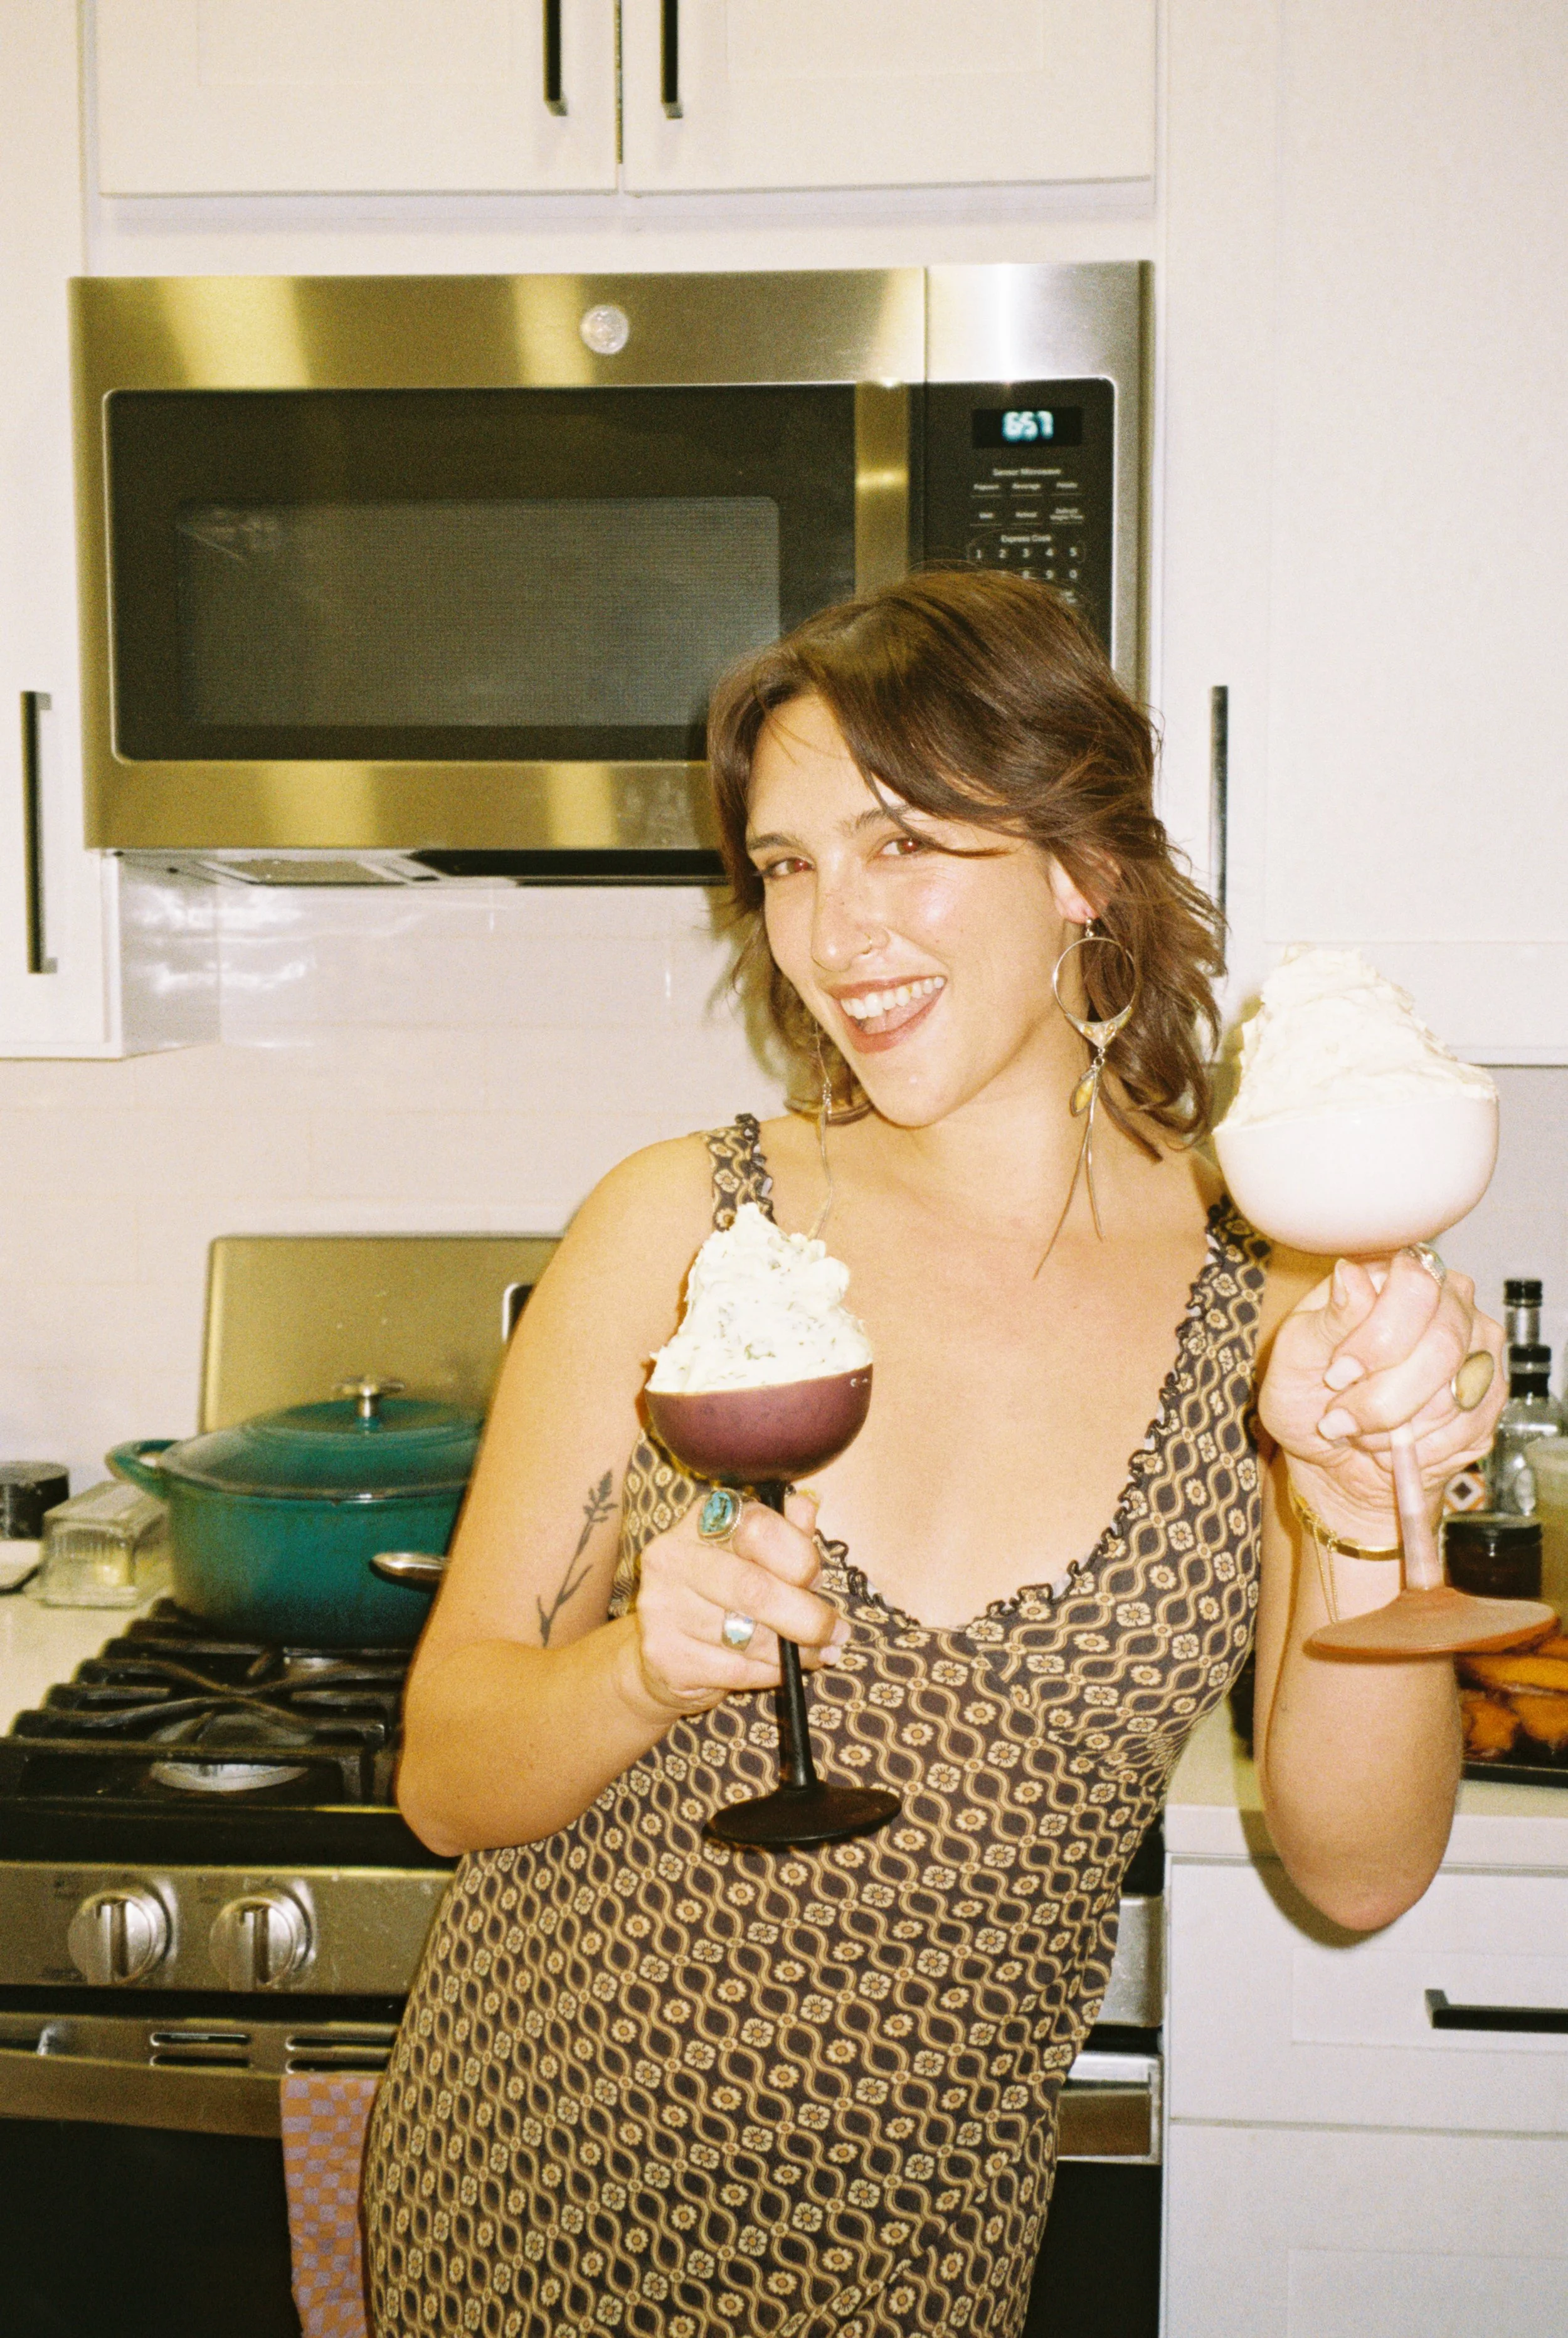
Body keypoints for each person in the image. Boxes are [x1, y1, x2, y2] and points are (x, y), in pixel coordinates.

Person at [362, 571, 1505, 2338]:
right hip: (535, 2186)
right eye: (789, 866)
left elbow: (1358, 1875)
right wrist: (640, 1675)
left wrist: (1365, 1505)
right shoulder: (684, 1228)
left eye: (900, 843)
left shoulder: (1266, 1296)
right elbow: (447, 1775)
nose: (831, 933)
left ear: (1079, 868)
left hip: (911, 2238)